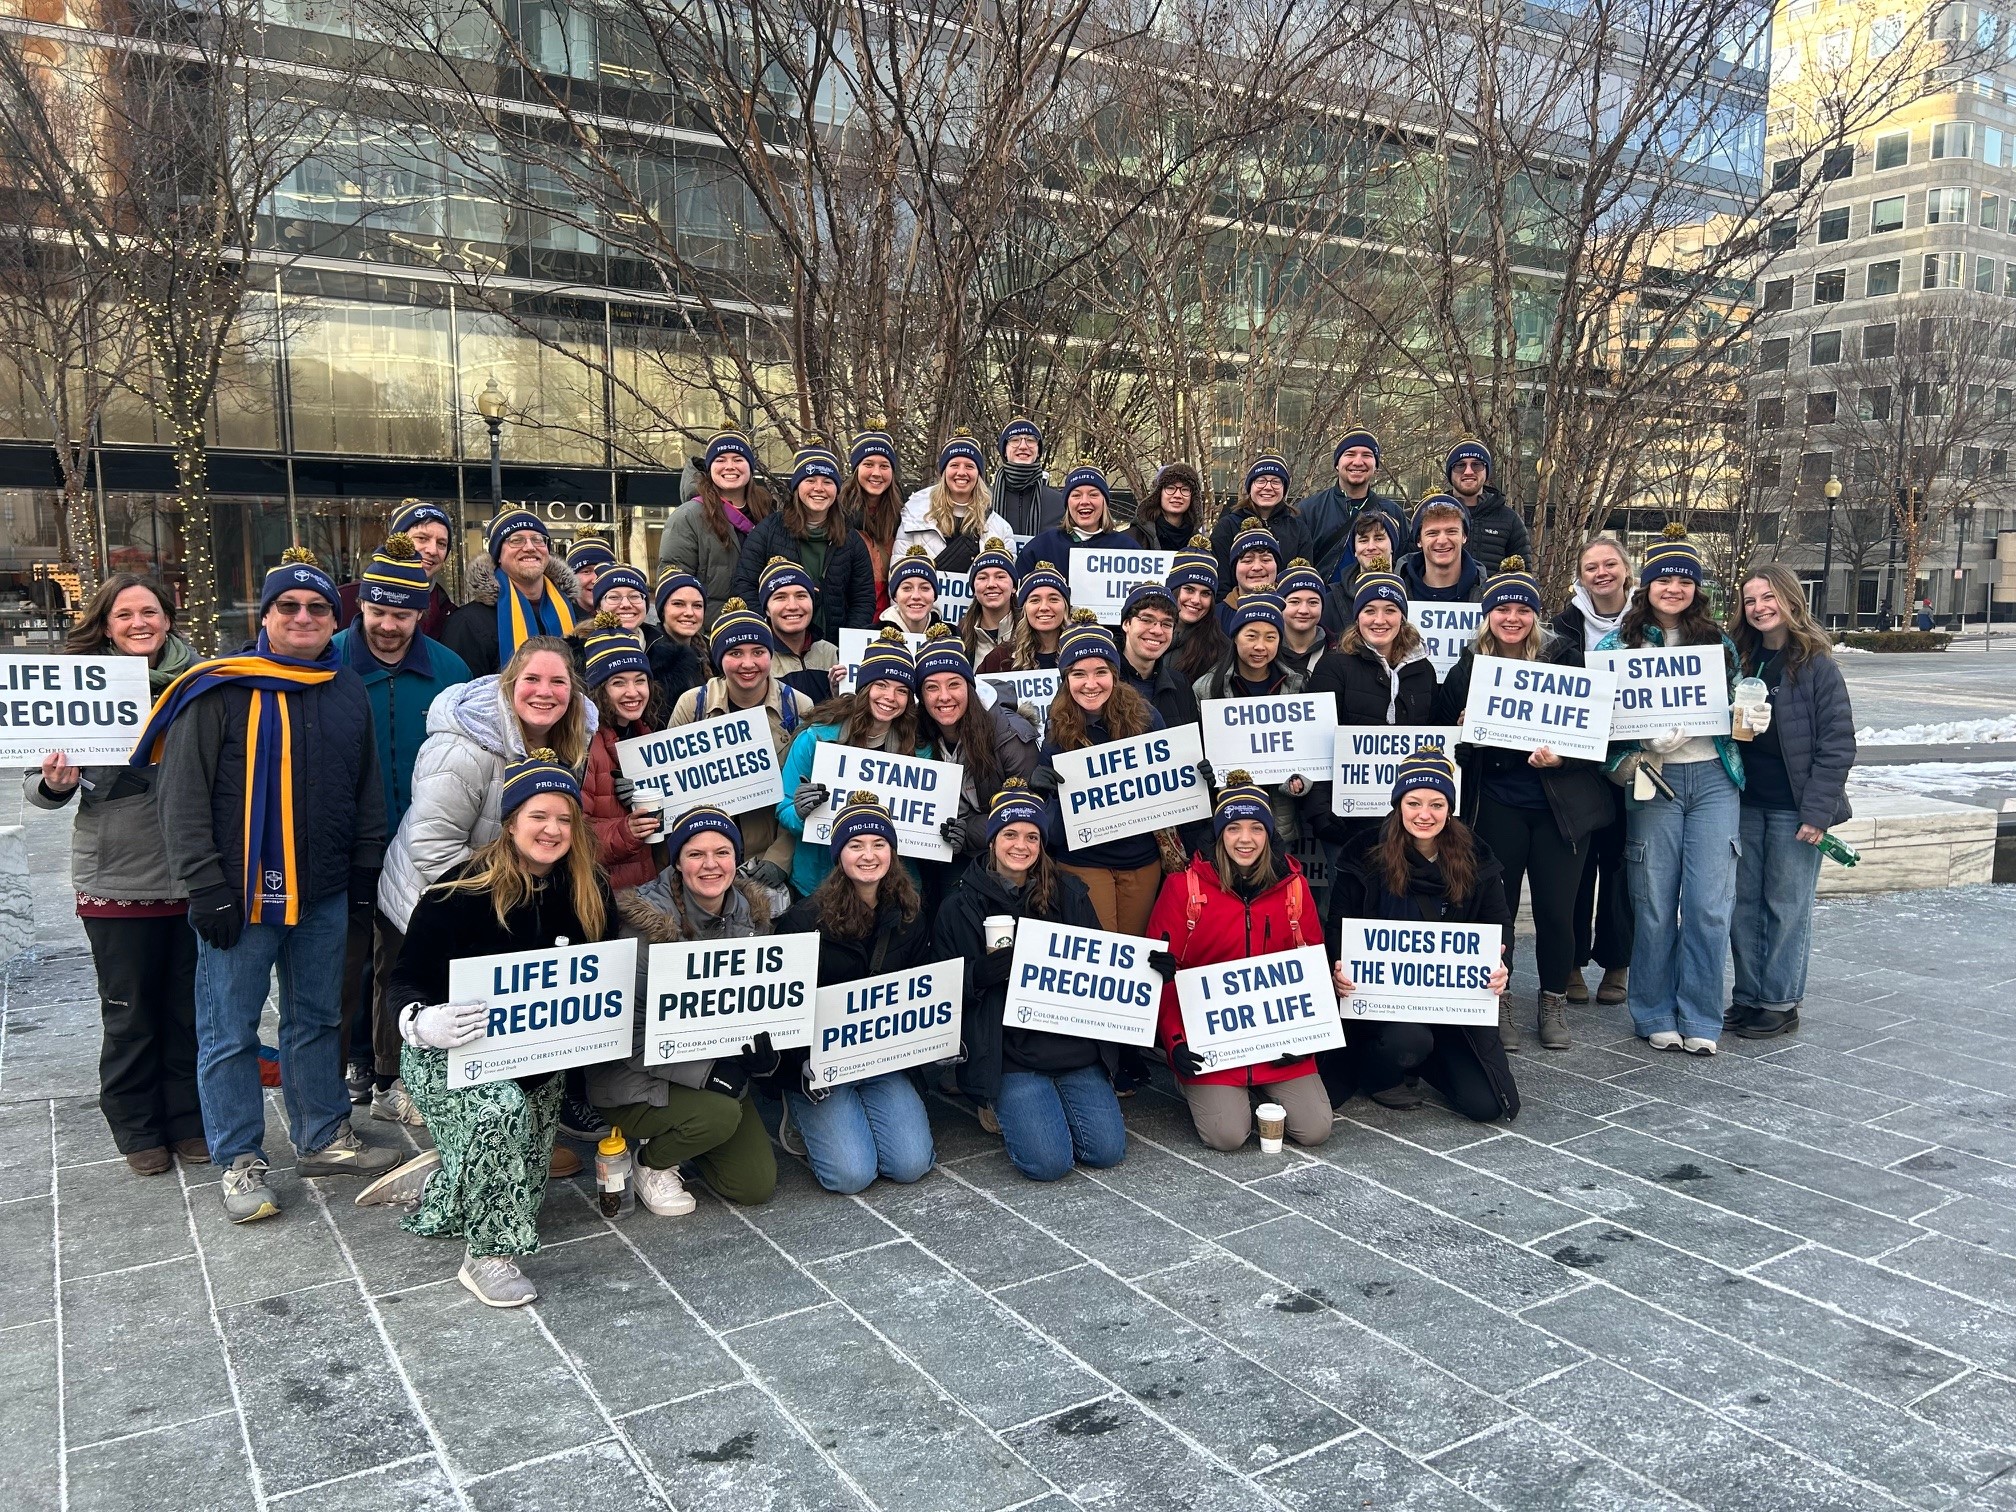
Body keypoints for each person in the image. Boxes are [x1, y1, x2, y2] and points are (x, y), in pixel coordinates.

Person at [148, 549, 396, 1221]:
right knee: (228, 1030)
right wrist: (206, 887)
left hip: (321, 894)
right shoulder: (221, 687)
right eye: (289, 605)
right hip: (240, 896)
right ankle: (239, 1158)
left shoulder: (343, 687)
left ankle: (321, 1134)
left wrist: (366, 870)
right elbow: (182, 798)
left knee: (317, 1018)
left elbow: (365, 786)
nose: (304, 617)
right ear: (265, 615)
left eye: (318, 608)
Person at [356, 751, 615, 1306]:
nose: (551, 830)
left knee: (525, 1189)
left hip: (534, 1056)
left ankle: (447, 1182)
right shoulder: (459, 889)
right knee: (499, 1119)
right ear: (511, 820)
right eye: (538, 816)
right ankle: (488, 1256)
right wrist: (423, 1022)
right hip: (452, 1054)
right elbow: (403, 981)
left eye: (564, 819)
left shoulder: (589, 886)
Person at [27, 575, 203, 1175]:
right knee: (129, 1010)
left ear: (167, 619)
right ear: (106, 625)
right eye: (124, 614)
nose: (138, 623)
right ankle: (136, 1126)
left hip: (190, 870)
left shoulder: (198, 680)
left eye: (149, 611)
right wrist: (54, 783)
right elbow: (35, 783)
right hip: (116, 874)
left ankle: (187, 1118)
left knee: (187, 1007)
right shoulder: (77, 688)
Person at [1435, 559, 1612, 1053]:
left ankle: (1552, 999)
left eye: (1521, 609)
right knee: (1500, 909)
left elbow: (1593, 736)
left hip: (1560, 808)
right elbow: (1442, 744)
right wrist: (1466, 732)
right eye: (1501, 609)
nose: (1511, 618)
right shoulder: (1468, 668)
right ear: (1487, 616)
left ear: (1536, 615)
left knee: (1558, 910)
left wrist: (1562, 757)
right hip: (1496, 804)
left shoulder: (1565, 659)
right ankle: (1501, 997)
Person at [330, 537, 473, 1123]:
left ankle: (391, 1073)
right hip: (342, 842)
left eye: (402, 614)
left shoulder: (449, 668)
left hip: (417, 843)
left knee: (400, 961)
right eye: (379, 611)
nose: (389, 626)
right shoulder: (330, 658)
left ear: (421, 613)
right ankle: (341, 1069)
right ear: (362, 605)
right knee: (341, 965)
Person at [1596, 525, 1743, 1055]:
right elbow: (1601, 724)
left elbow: (1740, 710)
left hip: (1712, 778)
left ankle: (1701, 1013)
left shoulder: (1718, 643)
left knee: (1708, 904)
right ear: (1647, 586)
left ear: (1696, 589)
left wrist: (1749, 715)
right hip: (1653, 780)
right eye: (1664, 579)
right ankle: (1654, 1009)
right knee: (1654, 901)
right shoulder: (1620, 643)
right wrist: (1640, 741)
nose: (1673, 588)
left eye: (1684, 580)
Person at [589, 807, 780, 1212]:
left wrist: (765, 1054)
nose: (711, 865)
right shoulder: (643, 925)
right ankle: (649, 1162)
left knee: (753, 1185)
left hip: (713, 1067)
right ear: (677, 861)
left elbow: (760, 1005)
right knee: (720, 1116)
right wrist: (707, 1073)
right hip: (632, 1076)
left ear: (737, 857)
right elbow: (625, 1032)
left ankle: (690, 1131)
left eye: (723, 852)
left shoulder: (755, 917)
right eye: (696, 854)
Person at [937, 780, 1126, 1179]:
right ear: (991, 840)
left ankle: (1049, 1101)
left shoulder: (1069, 892)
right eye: (1009, 834)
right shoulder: (960, 904)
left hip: (1071, 1046)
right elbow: (941, 988)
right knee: (1048, 1163)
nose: (1020, 845)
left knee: (1106, 1151)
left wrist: (1148, 968)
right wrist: (978, 975)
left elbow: (1102, 965)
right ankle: (997, 1102)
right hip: (1009, 1054)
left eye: (1031, 836)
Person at [1324, 746, 1518, 1121]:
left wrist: (1501, 965)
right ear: (1399, 804)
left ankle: (1423, 1062)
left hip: (1453, 1004)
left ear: (1450, 808)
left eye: (1437, 804)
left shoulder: (1476, 856)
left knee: (1487, 1105)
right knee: (1408, 1039)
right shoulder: (1365, 853)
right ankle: (1380, 1073)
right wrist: (1337, 965)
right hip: (1382, 1005)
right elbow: (1340, 922)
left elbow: (1499, 924)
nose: (1424, 815)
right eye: (1414, 803)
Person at [1145, 773, 1333, 1151]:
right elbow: (1161, 975)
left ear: (1269, 835)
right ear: (1219, 834)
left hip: (1277, 1038)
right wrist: (1176, 1041)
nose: (1245, 839)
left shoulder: (1293, 888)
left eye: (1255, 828)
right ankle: (1204, 1087)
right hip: (1211, 1040)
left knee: (1315, 1130)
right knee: (1227, 1136)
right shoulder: (1184, 889)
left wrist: (1308, 1038)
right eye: (1233, 828)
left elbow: (1311, 966)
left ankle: (1260, 1086)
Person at [773, 793, 937, 1192]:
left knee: (911, 1164)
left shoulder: (911, 913)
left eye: (879, 844)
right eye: (855, 845)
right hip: (822, 1064)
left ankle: (864, 1113)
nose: (869, 855)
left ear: (892, 853)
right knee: (851, 1175)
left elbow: (922, 989)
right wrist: (801, 1064)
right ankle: (799, 1114)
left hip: (880, 1057)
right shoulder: (802, 921)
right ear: (838, 853)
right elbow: (784, 1009)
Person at [1727, 565, 1856, 1040]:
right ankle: (1748, 996)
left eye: (1768, 597)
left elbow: (1837, 744)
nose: (1759, 607)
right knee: (1743, 904)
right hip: (1743, 801)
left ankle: (1780, 1002)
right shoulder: (1740, 657)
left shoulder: (1815, 663)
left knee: (1785, 906)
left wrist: (1817, 814)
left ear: (1789, 600)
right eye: (1750, 600)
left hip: (1792, 808)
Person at [666, 598, 812, 908]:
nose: (748, 664)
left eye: (758, 652)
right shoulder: (693, 705)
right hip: (707, 862)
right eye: (735, 653)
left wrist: (780, 858)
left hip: (768, 861)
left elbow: (806, 796)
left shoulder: (798, 706)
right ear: (720, 659)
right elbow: (671, 786)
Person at [1032, 612, 1170, 936]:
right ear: (1066, 679)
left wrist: (1195, 774)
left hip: (1140, 858)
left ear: (1115, 674)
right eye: (1078, 674)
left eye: (1100, 672)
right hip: (1083, 859)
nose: (1090, 684)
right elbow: (1049, 805)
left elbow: (1170, 779)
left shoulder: (1146, 716)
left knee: (1134, 947)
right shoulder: (1059, 725)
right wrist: (1038, 788)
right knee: (1102, 949)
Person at [778, 627, 922, 896]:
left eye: (901, 690)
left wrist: (945, 834)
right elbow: (783, 807)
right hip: (819, 884)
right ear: (864, 687)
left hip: (889, 889)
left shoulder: (918, 749)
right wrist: (799, 811)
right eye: (881, 685)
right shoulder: (816, 738)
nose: (890, 698)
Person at [1552, 536, 1634, 1005]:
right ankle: (1571, 962)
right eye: (1590, 567)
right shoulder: (1564, 626)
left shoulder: (1650, 624)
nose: (1601, 573)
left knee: (1621, 866)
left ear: (1625, 569)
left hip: (1634, 760)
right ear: (1580, 577)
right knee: (1576, 868)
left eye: (1609, 564)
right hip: (1578, 763)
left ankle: (1617, 961)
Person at [915, 625, 1038, 883]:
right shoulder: (915, 732)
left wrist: (965, 831)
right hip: (939, 851)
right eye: (931, 687)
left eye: (954, 684)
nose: (944, 696)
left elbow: (1025, 813)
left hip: (999, 855)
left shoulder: (1009, 735)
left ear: (969, 687)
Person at [1193, 593, 1310, 842]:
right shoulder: (1205, 689)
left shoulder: (1297, 687)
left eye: (1271, 637)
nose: (1260, 646)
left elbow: (1307, 755)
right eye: (1251, 636)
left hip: (1279, 820)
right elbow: (1198, 753)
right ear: (1235, 638)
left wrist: (1300, 781)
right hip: (1227, 817)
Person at [731, 444, 876, 641]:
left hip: (832, 649)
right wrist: (767, 630)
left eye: (827, 481)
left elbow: (863, 599)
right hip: (778, 647)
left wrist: (847, 643)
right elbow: (744, 584)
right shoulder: (770, 530)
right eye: (810, 480)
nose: (819, 488)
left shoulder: (851, 539)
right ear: (797, 486)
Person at [580, 619, 667, 893]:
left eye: (640, 681)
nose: (633, 693)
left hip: (646, 887)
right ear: (599, 690)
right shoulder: (584, 747)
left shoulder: (646, 734)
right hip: (604, 895)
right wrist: (626, 829)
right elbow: (574, 836)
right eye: (618, 683)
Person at [440, 511, 582, 677]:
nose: (530, 547)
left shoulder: (578, 615)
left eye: (538, 539)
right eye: (516, 540)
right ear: (498, 555)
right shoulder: (468, 624)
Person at [659, 429, 774, 622]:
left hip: (760, 630)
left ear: (750, 467)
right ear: (710, 467)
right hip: (708, 632)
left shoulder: (768, 512)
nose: (730, 466)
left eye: (738, 459)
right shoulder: (687, 517)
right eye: (720, 460)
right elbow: (674, 584)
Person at [895, 430, 1016, 577]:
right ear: (944, 472)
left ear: (979, 474)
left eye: (969, 466)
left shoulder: (1000, 528)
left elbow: (1007, 587)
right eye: (954, 465)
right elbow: (898, 581)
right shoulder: (915, 518)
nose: (961, 472)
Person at [1296, 426, 1411, 579]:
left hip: (1378, 599)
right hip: (1326, 600)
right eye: (1350, 454)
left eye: (1366, 455)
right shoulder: (1309, 510)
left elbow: (1405, 566)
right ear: (1337, 463)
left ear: (1375, 465)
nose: (1358, 462)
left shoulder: (1393, 512)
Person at [335, 499, 458, 639]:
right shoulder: (346, 600)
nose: (433, 550)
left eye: (441, 543)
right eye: (422, 538)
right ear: (398, 541)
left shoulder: (448, 612)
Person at [1014, 460, 1133, 578]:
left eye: (1093, 495)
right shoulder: (1041, 547)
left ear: (1104, 502)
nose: (1085, 501)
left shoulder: (1127, 548)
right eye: (1076, 495)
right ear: (1067, 503)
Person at [754, 556, 842, 706]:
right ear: (767, 610)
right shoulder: (756, 660)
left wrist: (838, 697)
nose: (793, 606)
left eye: (801, 596)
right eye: (780, 597)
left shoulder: (832, 654)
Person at [1211, 453, 1312, 583]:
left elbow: (1303, 578)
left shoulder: (1298, 530)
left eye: (1276, 482)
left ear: (1284, 488)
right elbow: (1220, 581)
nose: (1268, 487)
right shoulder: (1227, 526)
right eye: (1261, 481)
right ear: (1250, 486)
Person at [1117, 579, 1198, 729]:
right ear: (1126, 624)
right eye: (1147, 620)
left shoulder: (1180, 685)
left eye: (1166, 624)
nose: (1157, 631)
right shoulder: (1101, 682)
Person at [841, 424, 905, 613]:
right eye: (868, 464)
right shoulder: (837, 514)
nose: (876, 473)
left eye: (884, 466)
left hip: (891, 616)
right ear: (856, 469)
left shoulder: (904, 516)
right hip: (851, 615)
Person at [1442, 439, 1530, 573]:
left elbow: (1523, 577)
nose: (1468, 471)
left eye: (1477, 465)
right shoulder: (1432, 515)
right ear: (1450, 471)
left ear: (1486, 471)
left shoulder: (1509, 520)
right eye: (1460, 465)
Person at [978, 559, 1069, 674]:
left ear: (1065, 606)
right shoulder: (1000, 658)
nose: (1044, 607)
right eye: (1035, 600)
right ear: (1024, 609)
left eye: (1054, 599)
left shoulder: (1083, 652)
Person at [1398, 496, 1485, 603]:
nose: (1442, 541)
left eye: (1451, 531)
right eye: (1432, 533)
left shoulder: (1487, 594)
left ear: (1464, 537)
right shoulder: (1397, 593)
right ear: (1419, 540)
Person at [1169, 535, 1230, 683]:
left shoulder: (1220, 649)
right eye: (1189, 590)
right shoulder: (1148, 635)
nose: (1196, 600)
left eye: (1205, 594)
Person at [992, 416, 1064, 537]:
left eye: (1030, 440)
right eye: (1015, 440)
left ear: (1038, 451)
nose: (1023, 446)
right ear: (1004, 450)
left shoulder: (1060, 503)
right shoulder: (984, 499)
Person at [649, 564, 708, 709]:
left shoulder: (711, 651)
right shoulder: (651, 656)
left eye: (697, 606)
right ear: (662, 610)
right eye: (678, 604)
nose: (689, 612)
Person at [960, 537, 1019, 665]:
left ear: (1014, 587)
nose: (991, 584)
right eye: (982, 578)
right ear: (974, 589)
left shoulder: (1030, 632)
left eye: (1000, 577)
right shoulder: (959, 636)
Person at [1216, 521, 1283, 628]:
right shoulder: (1217, 617)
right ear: (1235, 568)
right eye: (1248, 561)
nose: (1257, 567)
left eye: (1265, 560)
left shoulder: (1291, 612)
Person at [1330, 511, 1401, 611]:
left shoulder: (1411, 592)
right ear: (1355, 549)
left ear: (1392, 546)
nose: (1371, 547)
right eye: (1363, 540)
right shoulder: (1332, 601)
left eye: (1379, 539)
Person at [1131, 462, 1207, 554]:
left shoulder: (1201, 545)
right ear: (1159, 493)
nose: (1178, 495)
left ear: (1193, 497)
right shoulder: (1133, 539)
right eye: (1170, 488)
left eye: (1185, 490)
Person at [1276, 558, 1333, 681]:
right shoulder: (1265, 652)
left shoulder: (1340, 651)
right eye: (1295, 602)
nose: (1303, 610)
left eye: (1313, 602)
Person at [881, 545, 945, 634]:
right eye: (907, 588)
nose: (916, 596)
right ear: (895, 595)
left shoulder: (952, 634)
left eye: (924, 588)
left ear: (934, 594)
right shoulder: (873, 634)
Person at [566, 537, 616, 608]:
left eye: (603, 571)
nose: (595, 580)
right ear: (571, 577)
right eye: (586, 572)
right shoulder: (560, 615)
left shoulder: (629, 614)